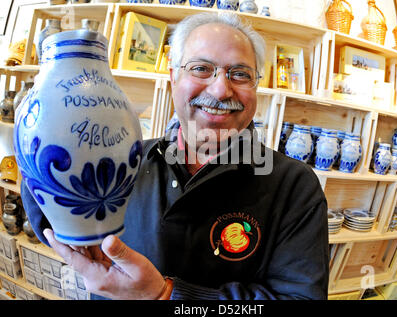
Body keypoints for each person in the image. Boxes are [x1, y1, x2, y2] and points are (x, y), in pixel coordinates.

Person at [21, 12, 329, 300]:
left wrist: (166, 295)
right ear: (173, 77)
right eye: (200, 69)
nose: (221, 90)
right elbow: (47, 212)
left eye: (240, 74)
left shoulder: (294, 186)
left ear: (256, 88)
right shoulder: (124, 159)